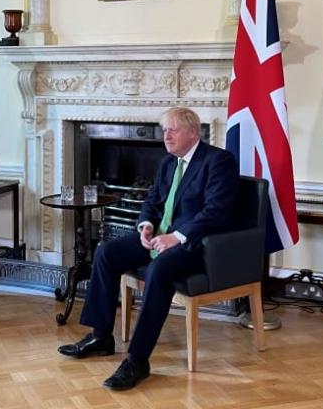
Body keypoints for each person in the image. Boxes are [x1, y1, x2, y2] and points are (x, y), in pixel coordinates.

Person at [58, 107, 239, 390]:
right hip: (159, 236)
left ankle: (138, 360)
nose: (166, 136)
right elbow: (152, 201)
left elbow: (216, 212)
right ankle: (101, 336)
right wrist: (145, 225)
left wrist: (176, 237)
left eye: (173, 130)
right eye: (164, 130)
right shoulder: (168, 162)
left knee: (159, 269)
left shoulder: (219, 161)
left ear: (193, 132)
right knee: (106, 252)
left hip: (195, 244)